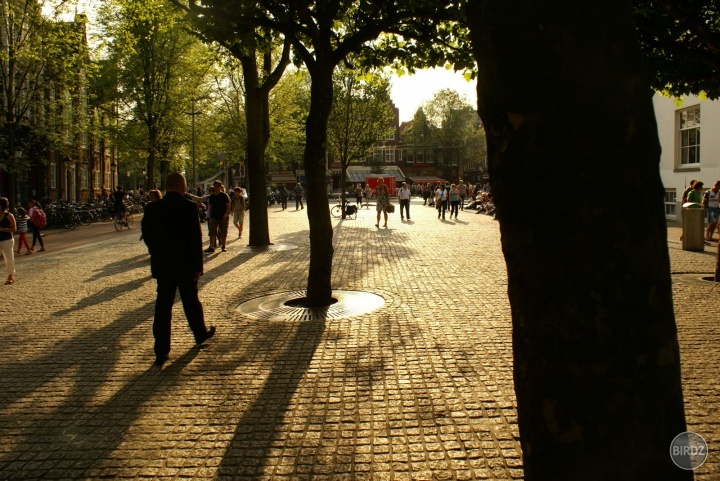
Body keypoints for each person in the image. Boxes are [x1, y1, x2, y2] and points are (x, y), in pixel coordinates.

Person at [141, 173, 216, 366]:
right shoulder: (188, 207)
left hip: (163, 264)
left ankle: (161, 350)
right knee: (191, 301)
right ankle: (200, 334)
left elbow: (147, 235)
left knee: (162, 307)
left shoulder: (152, 208)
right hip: (185, 265)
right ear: (183, 187)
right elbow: (195, 238)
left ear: (165, 186)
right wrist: (198, 266)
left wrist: (156, 253)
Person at [206, 181, 231, 253]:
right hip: (214, 216)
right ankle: (211, 246)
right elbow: (210, 206)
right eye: (215, 186)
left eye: (217, 186)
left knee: (223, 231)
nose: (216, 187)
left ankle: (223, 245)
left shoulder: (224, 195)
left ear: (220, 187)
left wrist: (226, 213)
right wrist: (210, 215)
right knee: (212, 232)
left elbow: (228, 205)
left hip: (223, 216)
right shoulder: (212, 196)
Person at [0, 197, 17, 285]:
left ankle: (10, 277)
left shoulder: (9, 216)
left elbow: (14, 229)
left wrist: (2, 229)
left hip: (7, 240)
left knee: (8, 258)